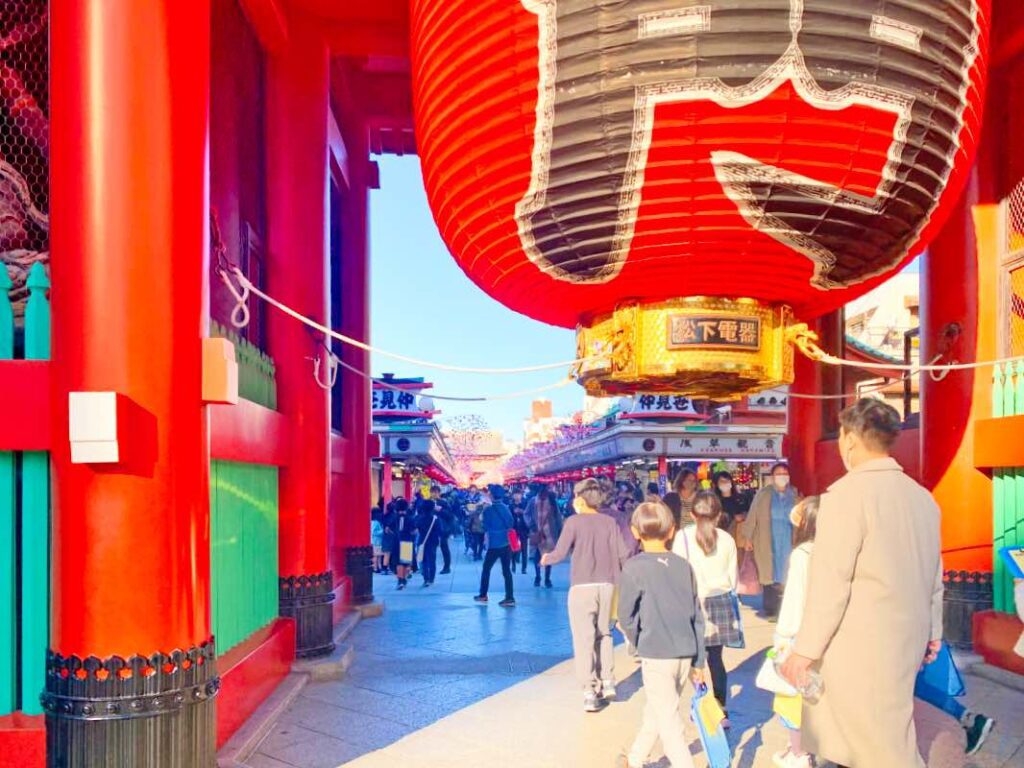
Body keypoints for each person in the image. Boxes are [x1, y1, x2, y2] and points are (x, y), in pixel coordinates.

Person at [780, 399, 944, 768]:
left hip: (859, 644)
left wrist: (804, 649)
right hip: (906, 639)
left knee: (863, 747)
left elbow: (831, 583)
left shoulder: (845, 497)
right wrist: (934, 631)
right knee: (891, 734)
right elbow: (936, 575)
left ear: (850, 439)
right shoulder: (923, 499)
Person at [616, 501, 706, 768]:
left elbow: (625, 615)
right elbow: (697, 615)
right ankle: (635, 758)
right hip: (685, 653)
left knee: (670, 723)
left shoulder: (634, 567)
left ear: (634, 531)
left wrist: (637, 640)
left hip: (656, 653)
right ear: (672, 531)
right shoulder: (683, 566)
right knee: (657, 710)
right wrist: (699, 661)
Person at [542, 478, 631, 711]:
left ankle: (589, 691)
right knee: (605, 633)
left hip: (582, 586)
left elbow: (560, 552)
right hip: (608, 586)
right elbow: (623, 553)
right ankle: (609, 681)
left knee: (584, 639)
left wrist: (546, 558)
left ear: (581, 500)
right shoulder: (609, 523)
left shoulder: (573, 522)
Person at [672, 491, 739, 726]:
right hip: (719, 602)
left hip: (692, 602)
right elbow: (733, 580)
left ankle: (703, 705)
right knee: (716, 659)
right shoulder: (727, 539)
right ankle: (721, 708)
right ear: (719, 514)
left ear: (692, 513)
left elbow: (677, 573)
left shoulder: (682, 537)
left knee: (695, 660)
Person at [770, 496, 820, 768]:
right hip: (823, 634)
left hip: (799, 635)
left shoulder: (802, 555)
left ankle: (798, 753)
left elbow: (793, 601)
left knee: (792, 696)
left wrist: (782, 637)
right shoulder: (835, 550)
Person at [740, 462, 800, 617]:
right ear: (773, 477)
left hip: (788, 536)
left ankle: (786, 607)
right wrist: (748, 537)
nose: (782, 476)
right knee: (769, 570)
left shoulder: (794, 494)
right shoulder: (764, 494)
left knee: (787, 569)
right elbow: (752, 515)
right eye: (778, 473)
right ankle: (771, 607)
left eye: (784, 473)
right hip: (767, 536)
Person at [475, 485, 516, 607]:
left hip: (494, 544)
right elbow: (511, 522)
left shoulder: (488, 510)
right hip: (506, 543)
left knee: (486, 568)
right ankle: (510, 597)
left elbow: (484, 525)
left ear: (491, 495)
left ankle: (483, 595)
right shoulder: (506, 508)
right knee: (506, 570)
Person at [527, 484, 562, 587]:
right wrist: (531, 525)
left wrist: (560, 530)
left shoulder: (552, 502)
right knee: (537, 556)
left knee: (548, 556)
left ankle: (547, 578)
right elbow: (527, 514)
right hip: (537, 532)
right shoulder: (533, 501)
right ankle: (538, 577)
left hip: (549, 533)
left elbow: (558, 517)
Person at [390, 498, 417, 590]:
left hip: (396, 541)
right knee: (405, 561)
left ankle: (400, 580)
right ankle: (404, 578)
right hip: (407, 541)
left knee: (398, 562)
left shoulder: (394, 518)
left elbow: (387, 529)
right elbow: (414, 531)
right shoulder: (410, 518)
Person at [415, 499, 441, 587]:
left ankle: (425, 578)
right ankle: (431, 579)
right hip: (433, 542)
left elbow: (415, 528)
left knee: (423, 560)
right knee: (432, 560)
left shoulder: (419, 518)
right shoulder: (435, 519)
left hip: (422, 541)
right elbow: (440, 531)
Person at [511, 488, 531, 575]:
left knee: (524, 549)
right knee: (513, 548)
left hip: (523, 529)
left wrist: (521, 511)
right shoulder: (510, 505)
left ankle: (524, 568)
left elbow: (529, 514)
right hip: (513, 529)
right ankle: (513, 564)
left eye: (518, 494)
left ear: (521, 495)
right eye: (515, 494)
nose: (517, 496)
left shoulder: (525, 504)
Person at [434, 487, 454, 575]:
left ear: (439, 493)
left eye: (435, 492)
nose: (433, 494)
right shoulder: (430, 502)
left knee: (444, 547)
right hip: (433, 529)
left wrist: (440, 510)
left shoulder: (444, 503)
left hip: (443, 528)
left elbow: (450, 515)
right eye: (432, 492)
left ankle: (447, 566)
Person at [371, 507, 385, 573]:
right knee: (376, 555)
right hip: (376, 541)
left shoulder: (371, 521)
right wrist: (382, 531)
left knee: (378, 555)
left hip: (375, 541)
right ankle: (376, 568)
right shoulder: (376, 522)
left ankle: (378, 567)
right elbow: (373, 532)